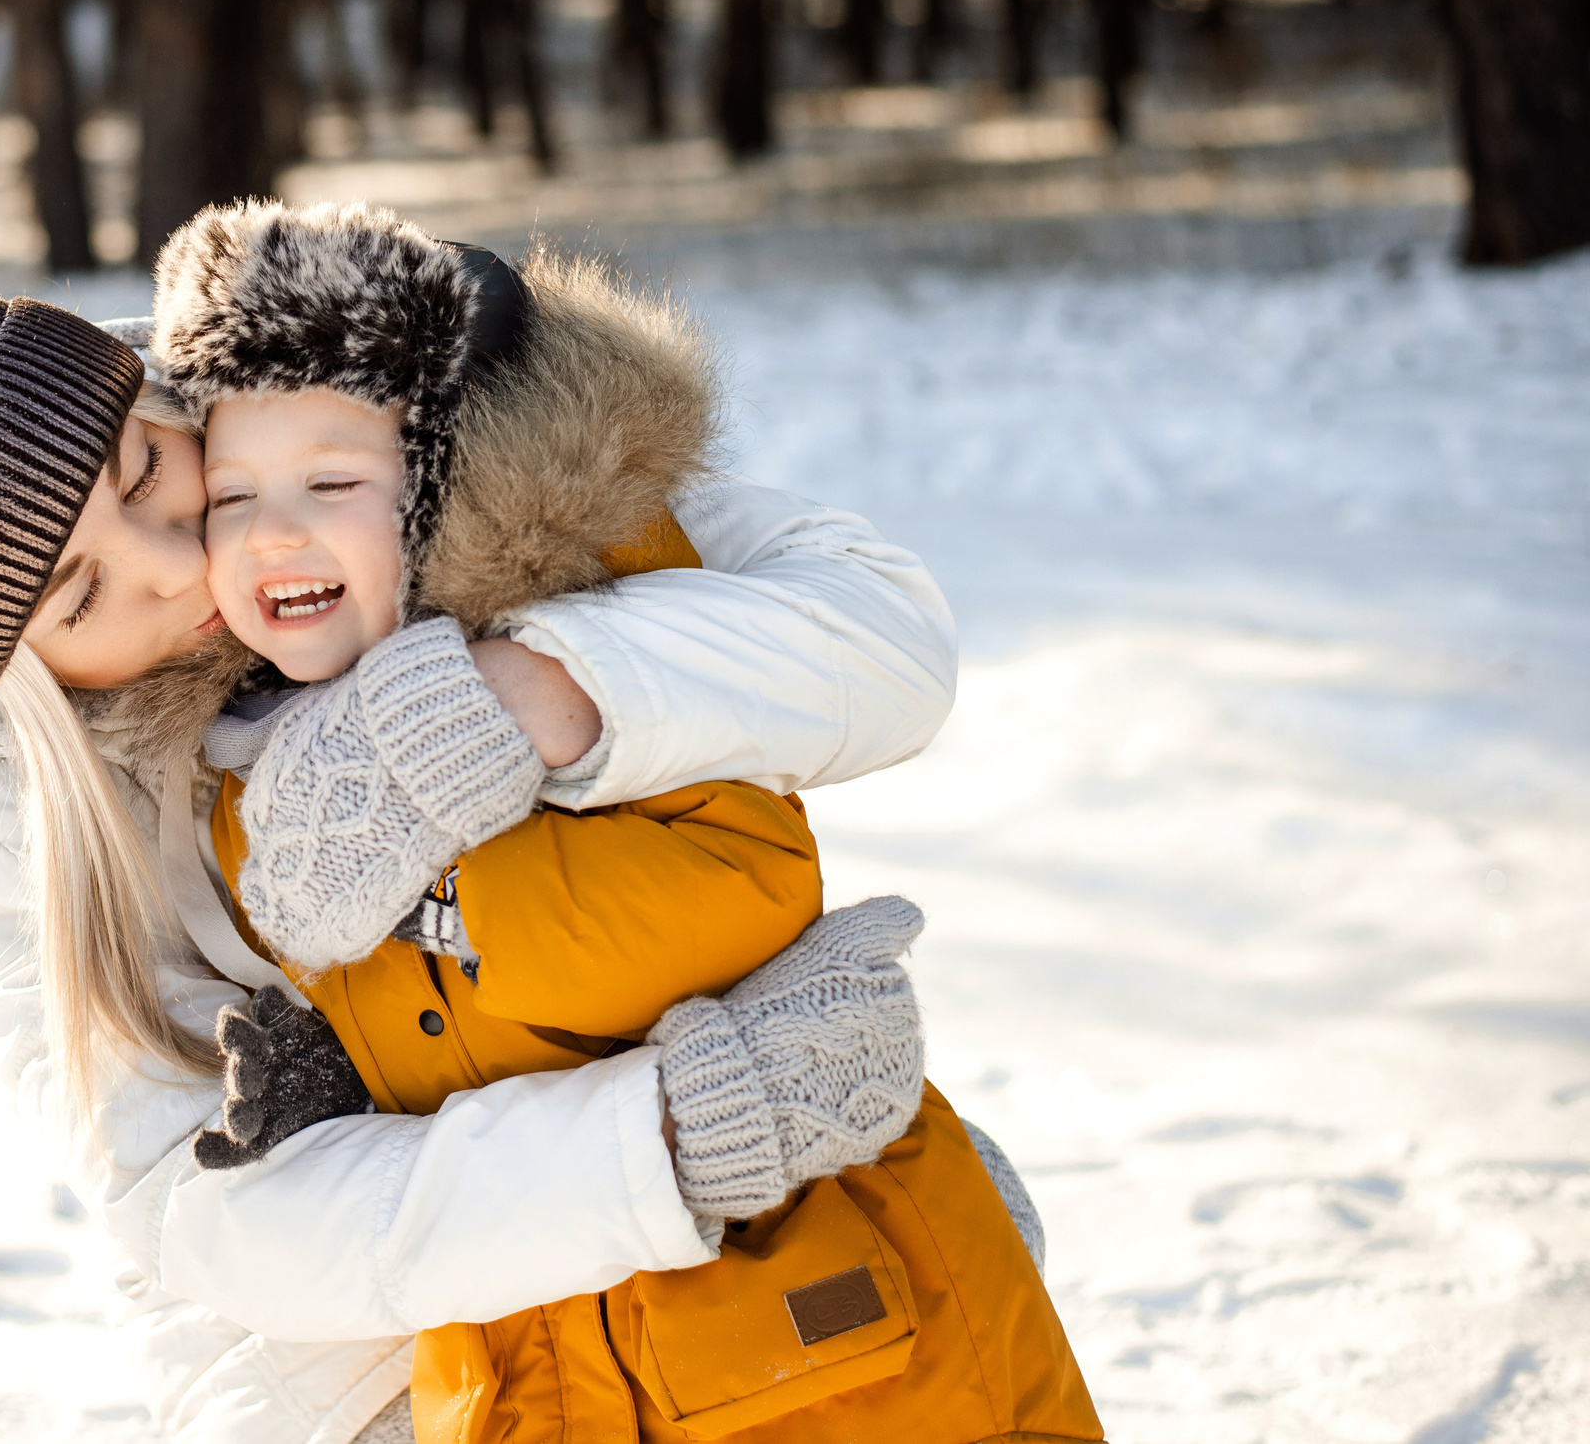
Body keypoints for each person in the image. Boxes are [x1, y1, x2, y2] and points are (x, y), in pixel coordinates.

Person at [0, 193, 971, 1444]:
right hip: (373, 1398)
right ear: (13, 674)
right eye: (79, 596)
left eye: (139, 468)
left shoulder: (372, 457)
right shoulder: (21, 836)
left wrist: (533, 691)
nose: (178, 562)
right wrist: (679, 1138)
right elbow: (216, 1216)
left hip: (777, 1315)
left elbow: (884, 641)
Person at [148, 199, 1102, 1443]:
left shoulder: (595, 614)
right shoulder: (248, 745)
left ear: (441, 491)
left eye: (334, 482)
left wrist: (449, 894)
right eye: (233, 496)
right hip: (538, 1346)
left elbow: (737, 886)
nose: (277, 529)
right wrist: (338, 1073)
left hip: (819, 1332)